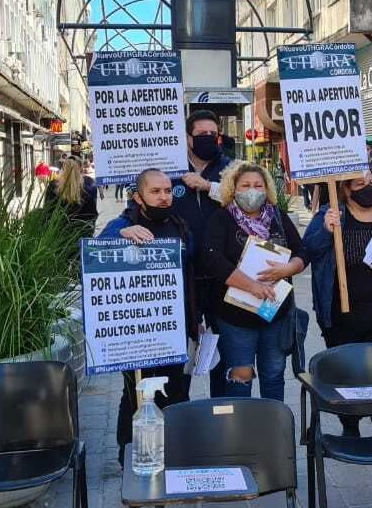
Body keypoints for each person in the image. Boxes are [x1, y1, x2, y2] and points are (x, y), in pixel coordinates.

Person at [303, 171, 372, 435]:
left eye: (370, 183)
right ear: (345, 189)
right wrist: (325, 230)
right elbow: (308, 249)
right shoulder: (331, 215)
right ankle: (350, 424)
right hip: (343, 312)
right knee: (347, 371)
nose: (367, 188)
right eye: (359, 184)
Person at [104, 168, 199, 465]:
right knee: (136, 395)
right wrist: (120, 234)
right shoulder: (123, 223)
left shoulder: (180, 226)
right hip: (136, 332)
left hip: (175, 327)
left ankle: (177, 451)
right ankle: (130, 454)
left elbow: (191, 270)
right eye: (155, 191)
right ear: (138, 196)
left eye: (168, 191)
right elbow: (97, 245)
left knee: (177, 390)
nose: (163, 197)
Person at [202, 161, 307, 401]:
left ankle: (273, 430)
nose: (252, 190)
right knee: (241, 375)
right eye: (245, 185)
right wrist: (251, 285)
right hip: (235, 317)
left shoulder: (277, 216)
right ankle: (242, 433)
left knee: (273, 374)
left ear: (266, 188)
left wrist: (289, 267)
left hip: (275, 313)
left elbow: (303, 250)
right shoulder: (222, 218)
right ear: (233, 188)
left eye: (258, 185)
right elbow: (212, 259)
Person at [174, 110, 234, 394]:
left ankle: (221, 417)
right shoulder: (170, 169)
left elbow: (248, 199)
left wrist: (208, 186)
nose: (209, 139)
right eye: (202, 135)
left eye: (214, 134)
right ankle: (179, 416)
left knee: (224, 356)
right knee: (180, 358)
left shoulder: (230, 168)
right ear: (188, 138)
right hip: (184, 281)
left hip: (223, 278)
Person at [46, 158, 97, 235]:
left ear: (63, 169)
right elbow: (92, 214)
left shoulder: (53, 185)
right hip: (81, 233)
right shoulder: (88, 185)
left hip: (57, 234)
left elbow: (47, 211)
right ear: (80, 169)